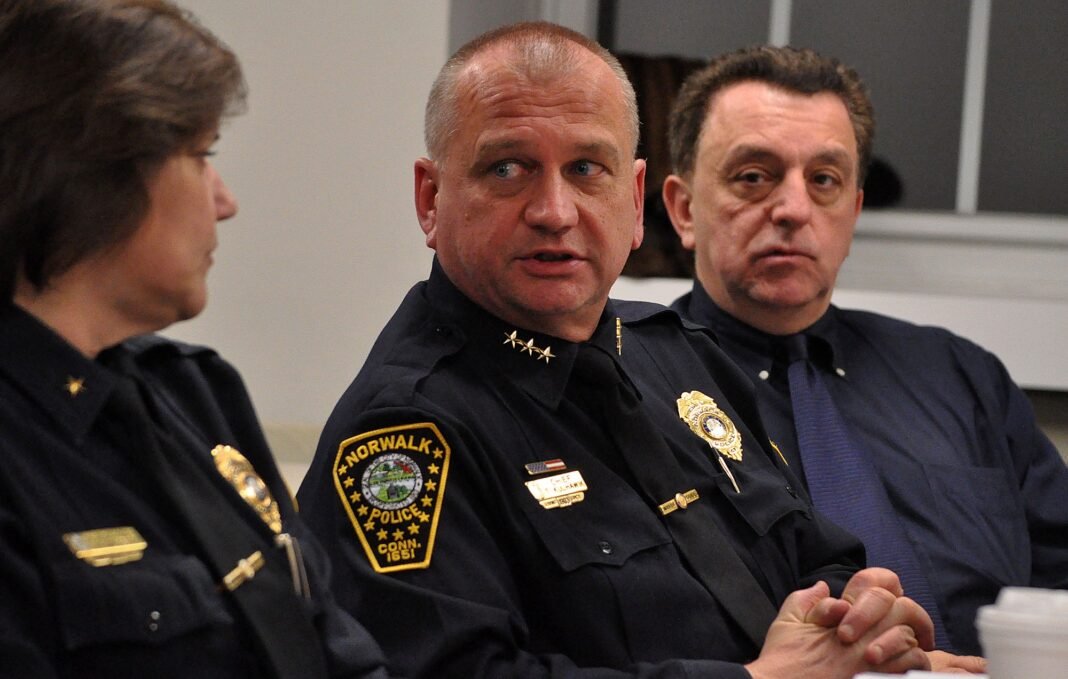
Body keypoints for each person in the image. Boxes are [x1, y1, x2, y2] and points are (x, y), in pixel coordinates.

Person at [296, 22, 960, 678]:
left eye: (586, 169)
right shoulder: (405, 434)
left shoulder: (680, 354)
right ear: (431, 199)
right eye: (507, 169)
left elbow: (812, 554)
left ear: (636, 201)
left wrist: (857, 620)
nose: (554, 211)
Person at [0, 1, 391, 676]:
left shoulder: (195, 391)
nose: (225, 201)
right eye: (202, 155)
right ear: (99, 172)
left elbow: (331, 642)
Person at [662, 44, 1068, 657]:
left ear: (852, 211)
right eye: (753, 177)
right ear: (684, 209)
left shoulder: (962, 377)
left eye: (823, 180)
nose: (793, 209)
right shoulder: (631, 384)